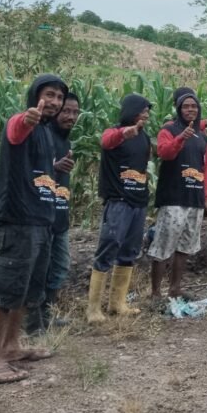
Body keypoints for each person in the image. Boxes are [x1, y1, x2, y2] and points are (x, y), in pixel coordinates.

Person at [0, 74, 67, 383]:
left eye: (59, 97)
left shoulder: (46, 132)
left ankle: (12, 346)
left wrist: (56, 169)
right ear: (35, 96)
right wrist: (28, 118)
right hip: (18, 220)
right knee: (7, 291)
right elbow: (17, 129)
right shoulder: (23, 121)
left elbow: (35, 170)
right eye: (49, 94)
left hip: (41, 220)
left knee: (26, 289)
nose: (55, 102)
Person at [148, 88, 207, 302]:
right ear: (178, 109)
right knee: (163, 245)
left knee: (185, 247)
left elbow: (205, 166)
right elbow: (164, 152)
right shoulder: (169, 130)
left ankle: (175, 289)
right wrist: (180, 138)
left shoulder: (202, 136)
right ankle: (155, 294)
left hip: (195, 198)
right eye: (186, 106)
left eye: (194, 106)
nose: (190, 109)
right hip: (173, 198)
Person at [87, 93, 152, 323]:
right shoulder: (113, 132)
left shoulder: (144, 138)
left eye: (147, 111)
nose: (146, 115)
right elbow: (106, 142)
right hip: (118, 201)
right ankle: (93, 309)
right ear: (131, 111)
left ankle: (117, 303)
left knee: (130, 251)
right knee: (109, 246)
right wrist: (125, 133)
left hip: (138, 201)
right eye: (143, 110)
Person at [26, 92, 79, 334]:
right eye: (66, 111)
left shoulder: (65, 142)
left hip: (60, 216)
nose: (70, 116)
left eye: (75, 112)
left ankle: (47, 314)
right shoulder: (42, 136)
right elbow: (30, 173)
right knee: (38, 271)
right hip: (41, 217)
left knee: (59, 267)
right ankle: (33, 321)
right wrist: (54, 167)